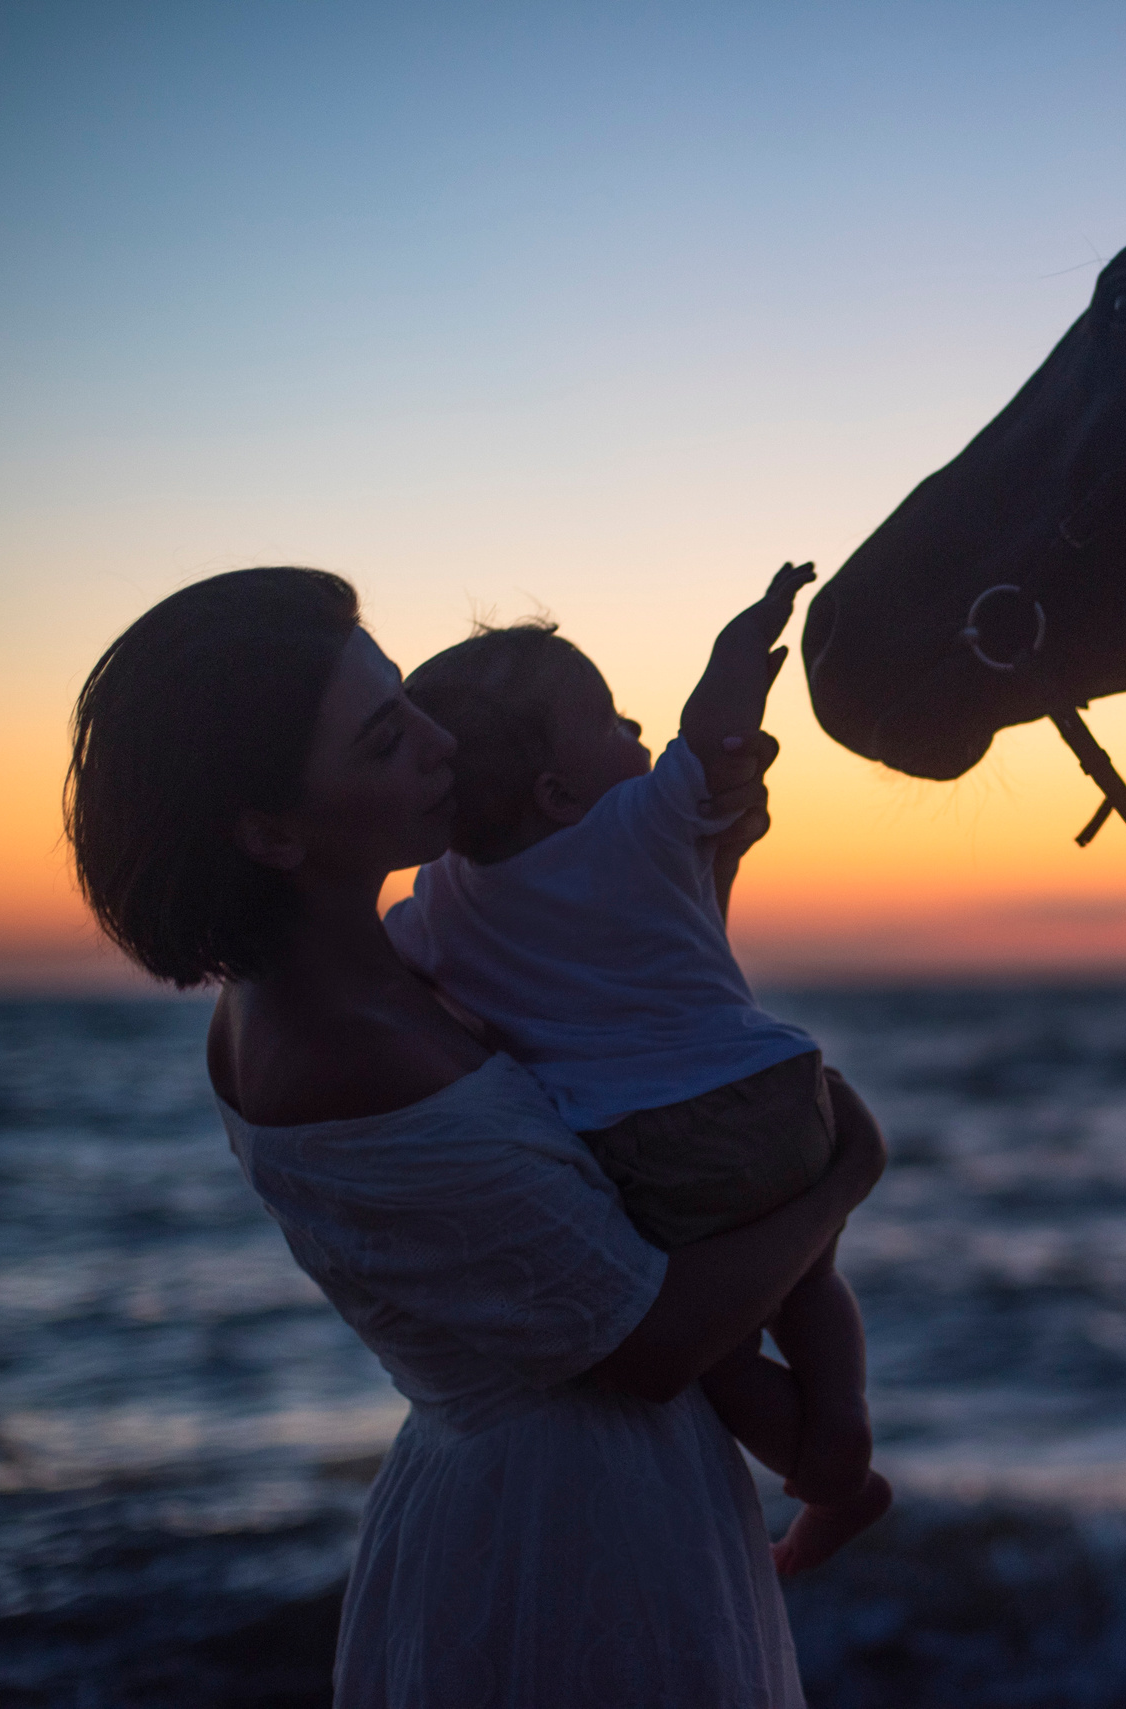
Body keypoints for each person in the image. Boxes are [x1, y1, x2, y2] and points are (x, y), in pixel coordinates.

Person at [65, 566, 880, 1705]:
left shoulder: (362, 967)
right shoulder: (353, 1044)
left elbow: (609, 1034)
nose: (442, 743)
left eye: (413, 701)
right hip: (581, 1537)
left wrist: (691, 880)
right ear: (272, 831)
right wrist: (842, 1175)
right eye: (387, 738)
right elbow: (648, 1343)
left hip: (514, 1497)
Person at [384, 562, 892, 1575]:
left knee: (711, 1344)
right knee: (808, 1272)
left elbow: (400, 983)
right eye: (615, 720)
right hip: (779, 1099)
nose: (640, 732)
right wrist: (743, 645)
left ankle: (826, 1464)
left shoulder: (434, 906)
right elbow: (717, 735)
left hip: (638, 1149)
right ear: (557, 789)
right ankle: (841, 1420)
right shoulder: (642, 823)